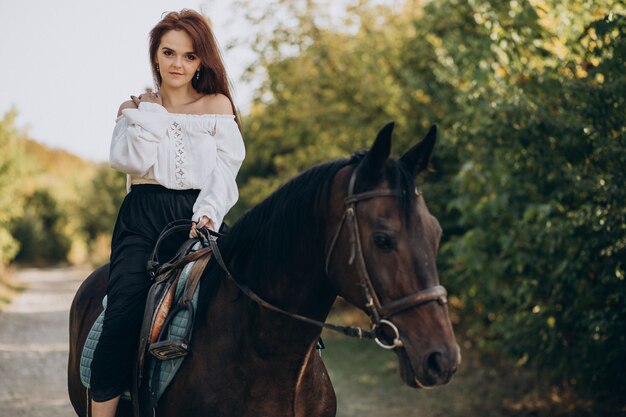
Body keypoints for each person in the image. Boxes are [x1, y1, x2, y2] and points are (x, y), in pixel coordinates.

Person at [89, 9, 245, 416]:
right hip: (143, 217)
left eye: (189, 56)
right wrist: (154, 111)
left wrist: (208, 214)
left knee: (245, 293)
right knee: (122, 311)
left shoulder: (216, 104)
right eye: (169, 53)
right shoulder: (136, 108)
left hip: (200, 213)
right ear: (155, 56)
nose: (178, 64)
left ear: (201, 61)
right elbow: (130, 161)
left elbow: (227, 169)